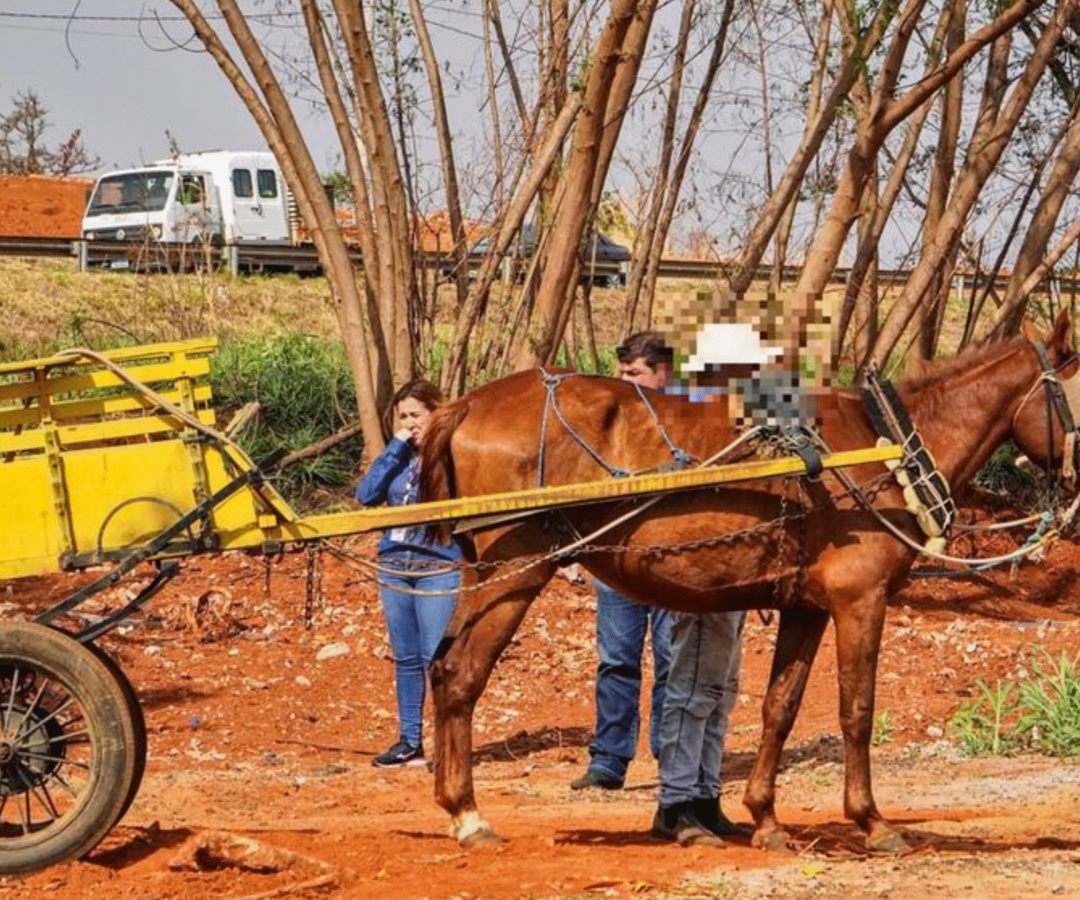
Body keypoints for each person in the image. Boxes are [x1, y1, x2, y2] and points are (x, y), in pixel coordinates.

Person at [651, 323, 784, 846]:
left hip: (737, 576)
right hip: (705, 574)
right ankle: (675, 804)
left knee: (721, 689)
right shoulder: (695, 425)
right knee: (692, 687)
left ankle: (704, 796)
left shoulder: (740, 425)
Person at [571, 331, 674, 791]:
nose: (625, 382)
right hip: (616, 562)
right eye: (621, 373)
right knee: (615, 660)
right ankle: (609, 762)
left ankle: (673, 758)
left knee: (674, 662)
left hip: (674, 562)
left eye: (635, 374)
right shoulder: (611, 425)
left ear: (663, 373)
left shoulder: (687, 422)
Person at [357, 380, 461, 769]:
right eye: (403, 416)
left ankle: (448, 742)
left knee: (437, 658)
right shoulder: (396, 456)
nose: (410, 423)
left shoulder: (452, 455)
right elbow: (366, 495)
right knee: (405, 658)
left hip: (437, 565)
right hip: (394, 566)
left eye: (417, 415)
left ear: (437, 413)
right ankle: (409, 741)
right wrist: (397, 445)